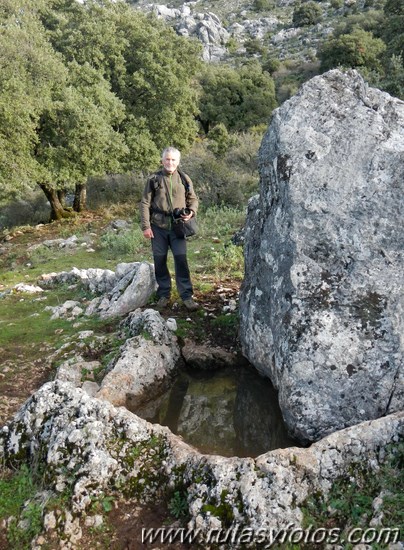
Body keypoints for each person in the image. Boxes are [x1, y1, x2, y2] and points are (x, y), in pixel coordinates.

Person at [140, 146, 199, 311]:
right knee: (159, 261)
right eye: (167, 159)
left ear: (178, 161)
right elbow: (145, 203)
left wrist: (191, 212)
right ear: (162, 160)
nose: (170, 162)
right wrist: (146, 226)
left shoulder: (184, 178)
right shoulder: (153, 179)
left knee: (181, 259)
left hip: (178, 227)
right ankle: (164, 294)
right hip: (157, 227)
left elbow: (193, 199)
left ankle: (187, 296)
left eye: (173, 159)